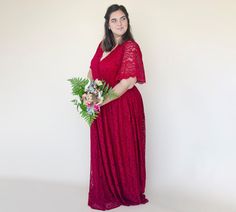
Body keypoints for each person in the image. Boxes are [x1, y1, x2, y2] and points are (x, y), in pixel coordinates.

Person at [87, 4, 148, 210]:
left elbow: (127, 82)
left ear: (127, 21)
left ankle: (126, 190)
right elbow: (91, 71)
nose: (119, 23)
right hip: (103, 103)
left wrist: (99, 102)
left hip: (123, 105)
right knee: (107, 147)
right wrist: (90, 94)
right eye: (114, 20)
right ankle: (110, 188)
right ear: (108, 24)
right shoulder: (103, 44)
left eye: (123, 19)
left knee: (124, 148)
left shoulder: (131, 46)